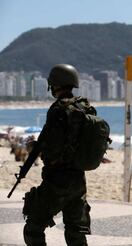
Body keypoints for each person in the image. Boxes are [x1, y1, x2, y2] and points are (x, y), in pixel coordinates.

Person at [22, 64, 94, 245]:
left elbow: (51, 147)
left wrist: (34, 148)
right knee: (76, 232)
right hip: (78, 180)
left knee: (33, 227)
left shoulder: (58, 110)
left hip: (58, 180)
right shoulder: (84, 107)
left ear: (55, 84)